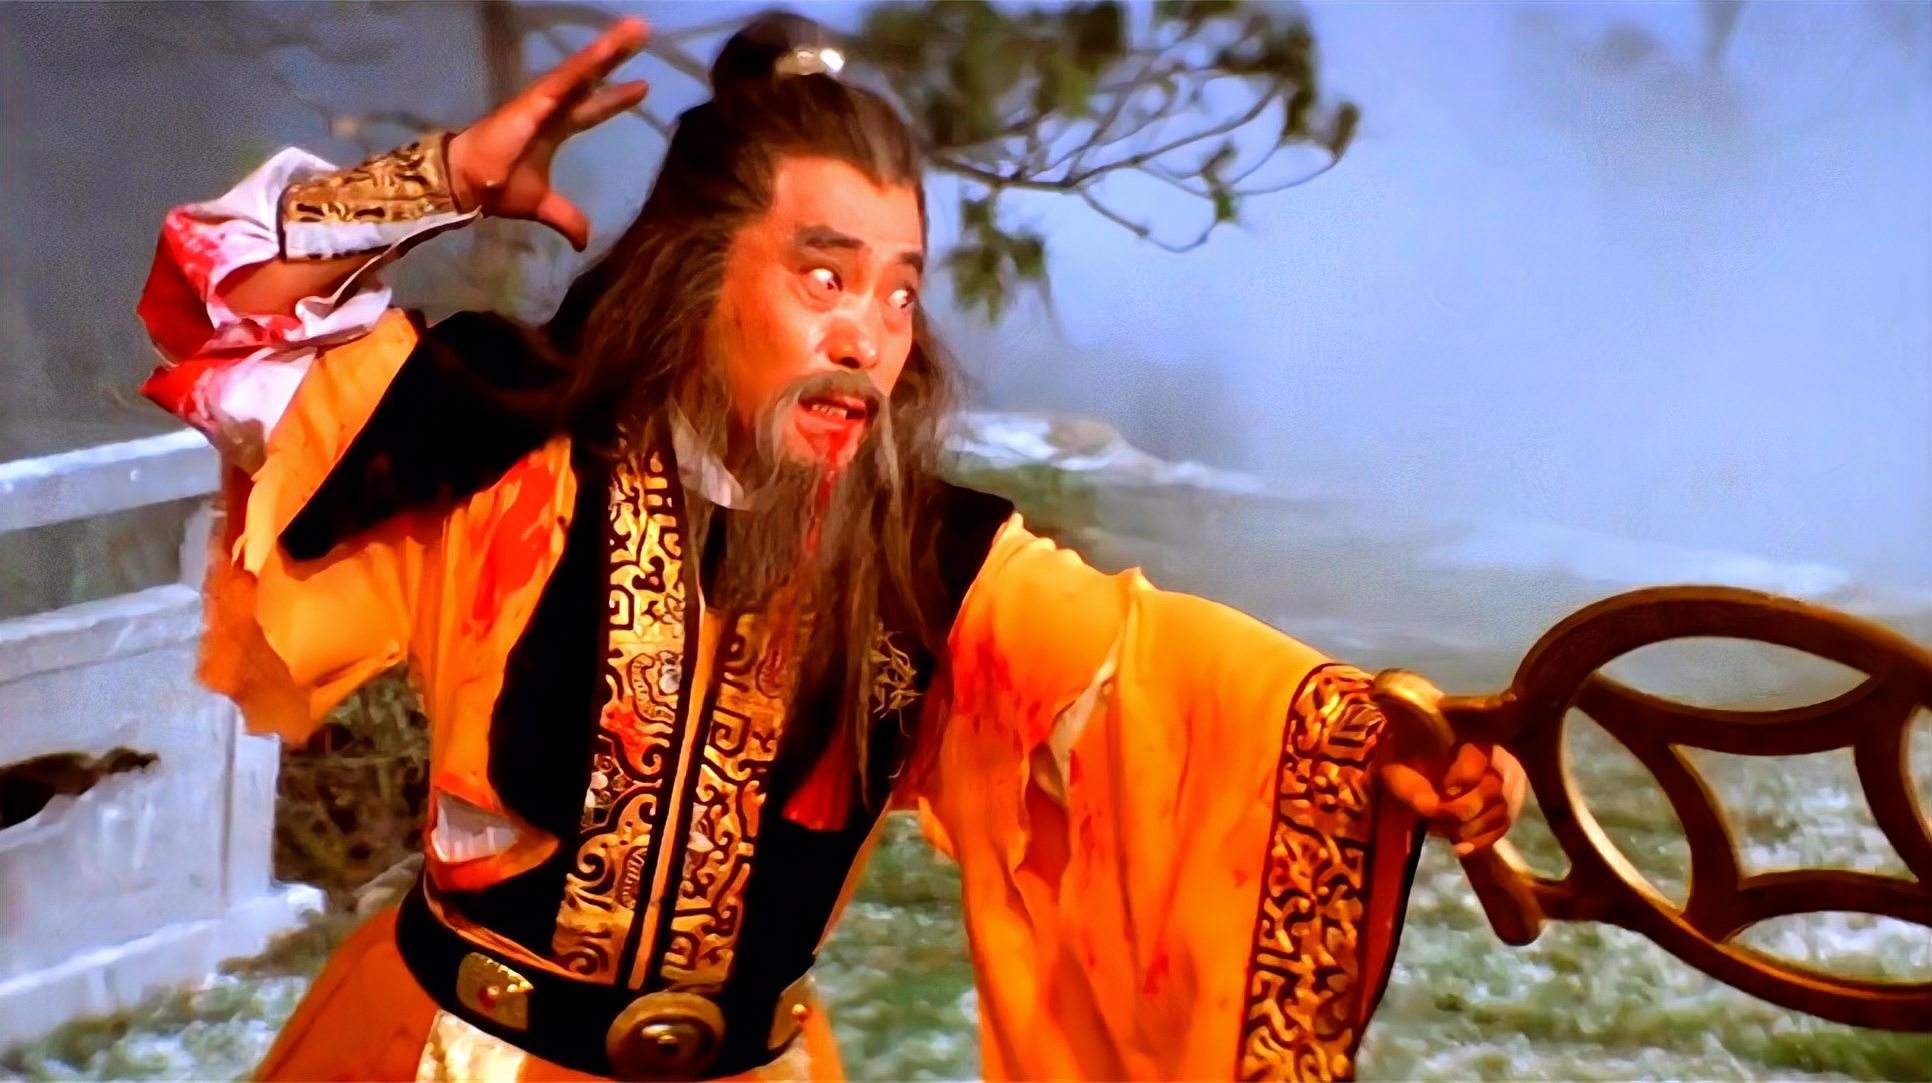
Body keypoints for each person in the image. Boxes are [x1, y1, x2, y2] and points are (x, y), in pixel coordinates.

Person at [136, 13, 1524, 1081]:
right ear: (696, 272)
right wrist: (440, 179)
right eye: (824, 275)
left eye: (900, 292)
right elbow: (219, 305)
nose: (868, 333)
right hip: (452, 1056)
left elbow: (1156, 678)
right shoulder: (504, 451)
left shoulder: (927, 569)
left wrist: (1391, 747)